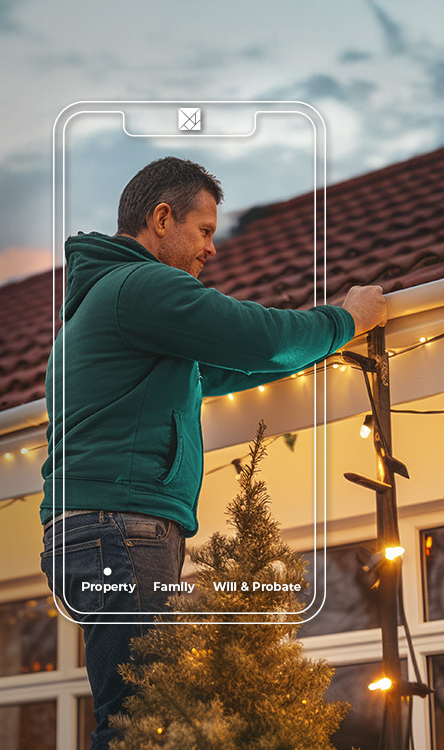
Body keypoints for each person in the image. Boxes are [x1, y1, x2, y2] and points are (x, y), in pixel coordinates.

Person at [38, 157, 387, 749]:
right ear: (162, 218)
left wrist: (305, 352)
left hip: (94, 532)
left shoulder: (96, 308)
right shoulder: (140, 286)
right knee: (143, 723)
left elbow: (221, 365)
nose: (212, 248)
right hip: (122, 528)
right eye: (203, 230)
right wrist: (346, 321)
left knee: (141, 715)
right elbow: (257, 338)